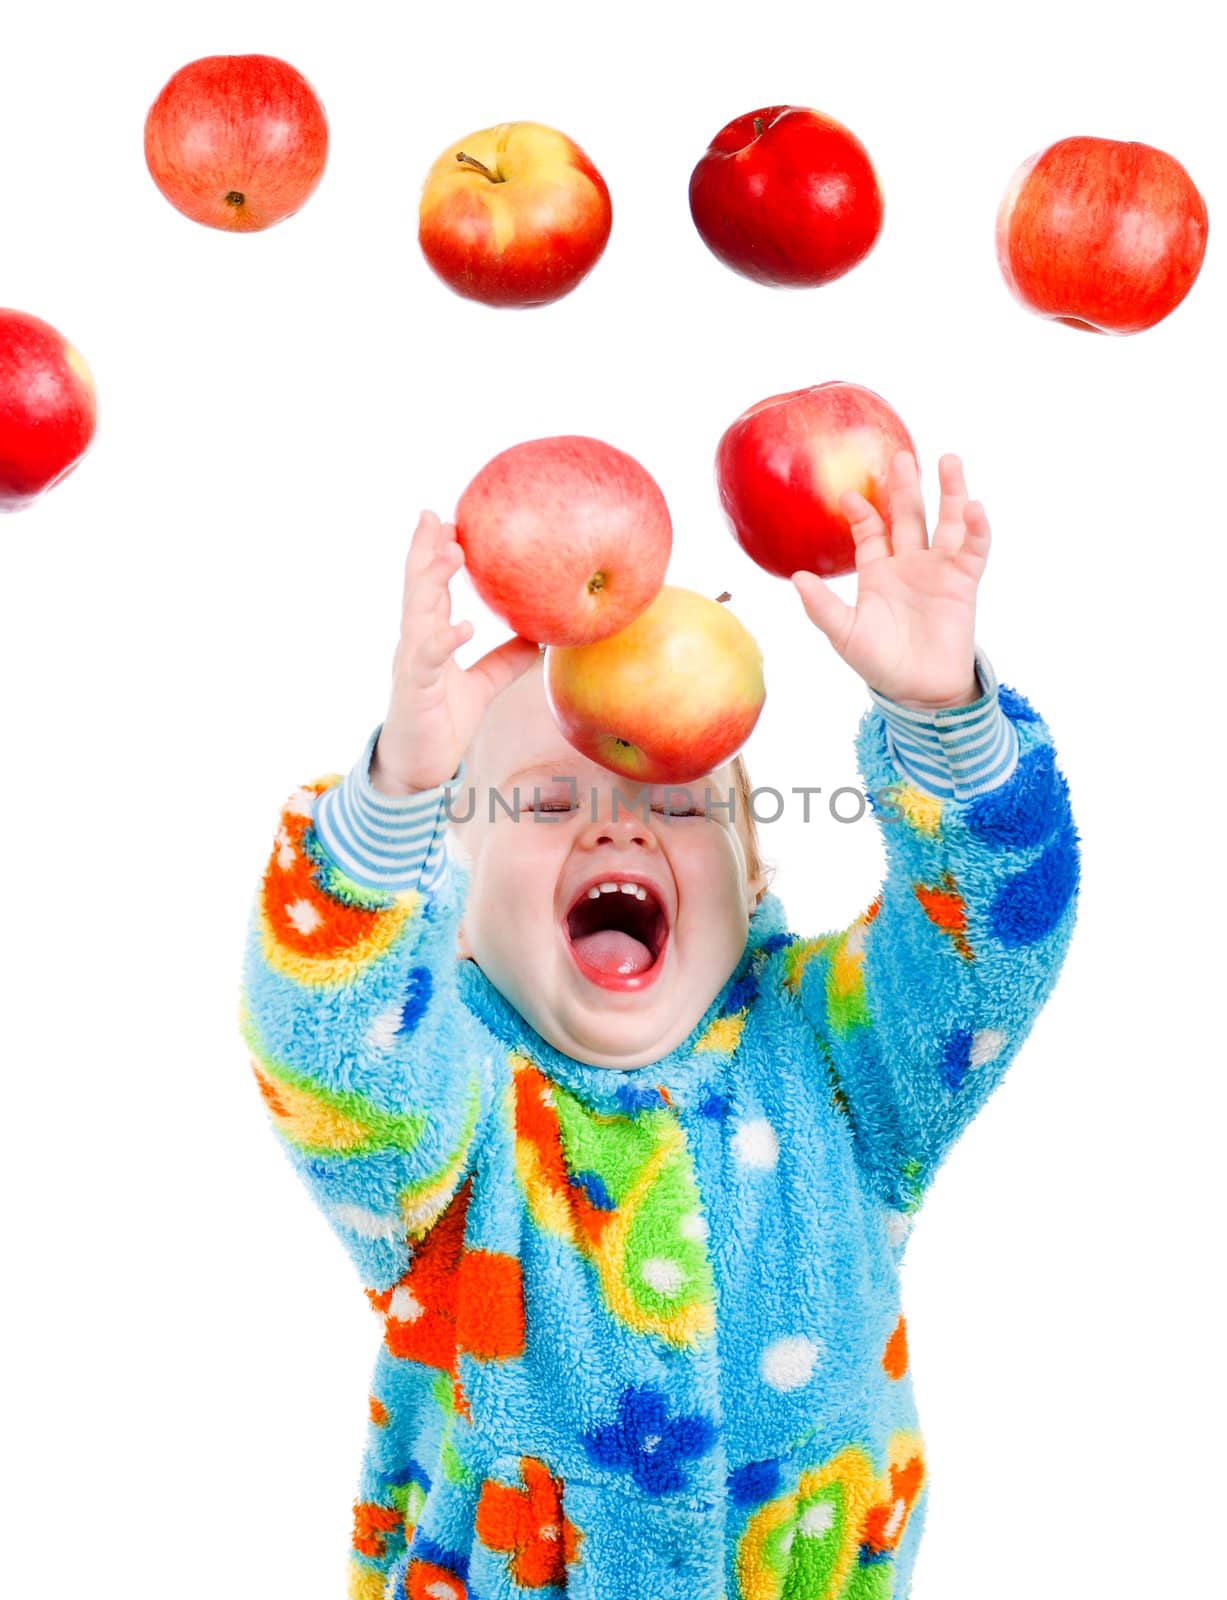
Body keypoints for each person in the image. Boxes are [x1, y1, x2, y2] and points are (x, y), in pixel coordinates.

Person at [240, 449, 1080, 1600]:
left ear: (749, 878)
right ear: (458, 920)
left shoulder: (832, 1056)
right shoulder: (454, 1103)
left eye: (680, 802)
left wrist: (942, 720)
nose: (618, 824)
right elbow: (326, 1036)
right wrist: (398, 797)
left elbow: (991, 946)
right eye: (542, 800)